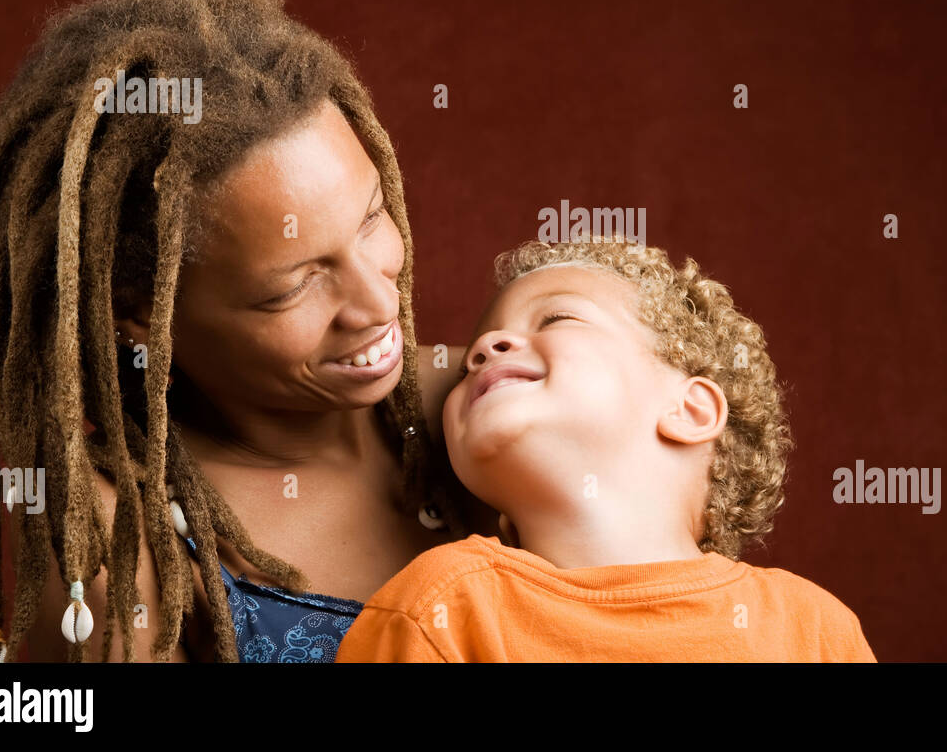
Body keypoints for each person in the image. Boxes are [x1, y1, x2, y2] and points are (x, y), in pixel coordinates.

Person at [0, 0, 493, 662]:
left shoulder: (485, 400)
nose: (378, 302)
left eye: (371, 219)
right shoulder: (126, 541)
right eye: (294, 287)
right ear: (141, 317)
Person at [335, 239, 877, 661]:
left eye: (556, 318)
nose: (482, 349)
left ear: (690, 411)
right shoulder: (442, 607)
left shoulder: (813, 629)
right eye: (466, 365)